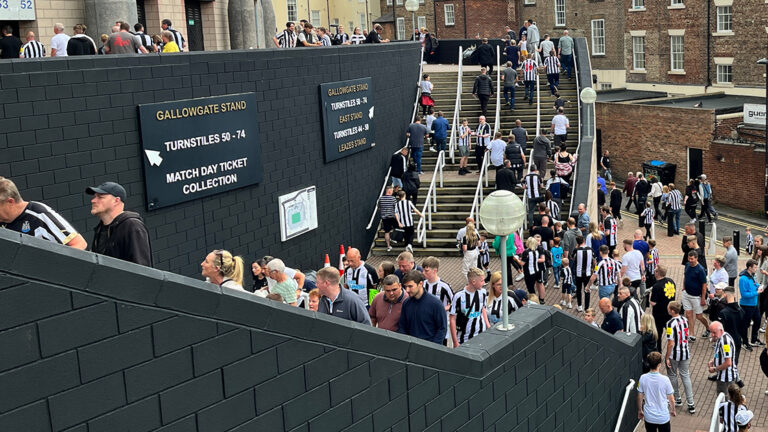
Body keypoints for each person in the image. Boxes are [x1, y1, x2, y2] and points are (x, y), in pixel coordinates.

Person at [0, 176, 85, 250]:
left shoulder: (39, 213)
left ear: (10, 202)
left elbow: (79, 244)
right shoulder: (3, 222)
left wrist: (54, 266)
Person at [83, 181, 153, 266]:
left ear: (116, 201)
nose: (93, 200)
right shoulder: (100, 228)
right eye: (94, 197)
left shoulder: (132, 226)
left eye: (100, 197)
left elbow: (142, 269)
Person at [398, 270, 447, 344]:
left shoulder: (435, 304)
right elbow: (402, 326)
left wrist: (434, 347)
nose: (407, 290)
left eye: (410, 286)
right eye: (405, 286)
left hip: (429, 349)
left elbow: (442, 328)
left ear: (420, 283)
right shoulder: (406, 303)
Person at [665, 301, 695, 413]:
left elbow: (670, 343)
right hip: (685, 352)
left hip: (674, 354)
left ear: (672, 311)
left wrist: (667, 357)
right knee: (685, 376)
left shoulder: (670, 324)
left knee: (672, 375)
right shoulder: (685, 320)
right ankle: (691, 403)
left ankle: (677, 399)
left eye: (669, 308)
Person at [450, 268, 490, 347]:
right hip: (463, 339)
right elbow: (452, 319)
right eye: (482, 281)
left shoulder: (483, 292)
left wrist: (488, 325)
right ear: (474, 282)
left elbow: (483, 309)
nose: (484, 283)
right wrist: (455, 342)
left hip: (481, 336)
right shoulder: (458, 296)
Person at [637, 351, 676, 431]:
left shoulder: (643, 378)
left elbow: (640, 396)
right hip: (663, 417)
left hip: (649, 417)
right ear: (659, 364)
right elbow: (671, 399)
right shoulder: (665, 380)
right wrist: (673, 410)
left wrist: (640, 410)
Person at [682, 250, 709, 341]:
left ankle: (708, 327)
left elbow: (704, 285)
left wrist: (703, 298)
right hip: (686, 294)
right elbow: (685, 276)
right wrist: (683, 286)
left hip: (696, 296)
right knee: (689, 314)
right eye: (689, 258)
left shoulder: (700, 270)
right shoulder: (687, 265)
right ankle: (692, 335)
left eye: (692, 259)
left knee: (699, 316)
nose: (690, 260)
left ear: (696, 258)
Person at [708, 321, 739, 396]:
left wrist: (715, 369)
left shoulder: (725, 343)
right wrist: (713, 360)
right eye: (711, 332)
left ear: (721, 330)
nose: (712, 335)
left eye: (714, 332)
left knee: (723, 400)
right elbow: (718, 352)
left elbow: (728, 363)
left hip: (725, 378)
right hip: (722, 376)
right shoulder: (720, 337)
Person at [738, 259, 764, 347]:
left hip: (754, 304)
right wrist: (756, 293)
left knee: (757, 320)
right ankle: (744, 342)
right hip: (746, 305)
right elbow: (744, 294)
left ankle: (754, 339)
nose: (756, 269)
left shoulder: (752, 275)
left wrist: (759, 286)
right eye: (755, 267)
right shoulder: (743, 279)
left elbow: (754, 284)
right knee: (745, 324)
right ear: (749, 268)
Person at [650, 266, 676, 351]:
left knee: (658, 334)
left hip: (659, 316)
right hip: (670, 314)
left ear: (657, 273)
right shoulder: (671, 281)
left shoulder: (656, 286)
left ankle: (658, 351)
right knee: (670, 332)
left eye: (655, 271)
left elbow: (653, 303)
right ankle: (672, 347)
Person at [378, 186, 398, 252]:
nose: (392, 192)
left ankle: (388, 246)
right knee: (397, 227)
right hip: (392, 216)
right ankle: (393, 237)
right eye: (392, 191)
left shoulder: (381, 199)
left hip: (384, 218)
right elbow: (396, 208)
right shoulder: (393, 198)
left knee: (387, 232)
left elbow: (379, 208)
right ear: (389, 191)